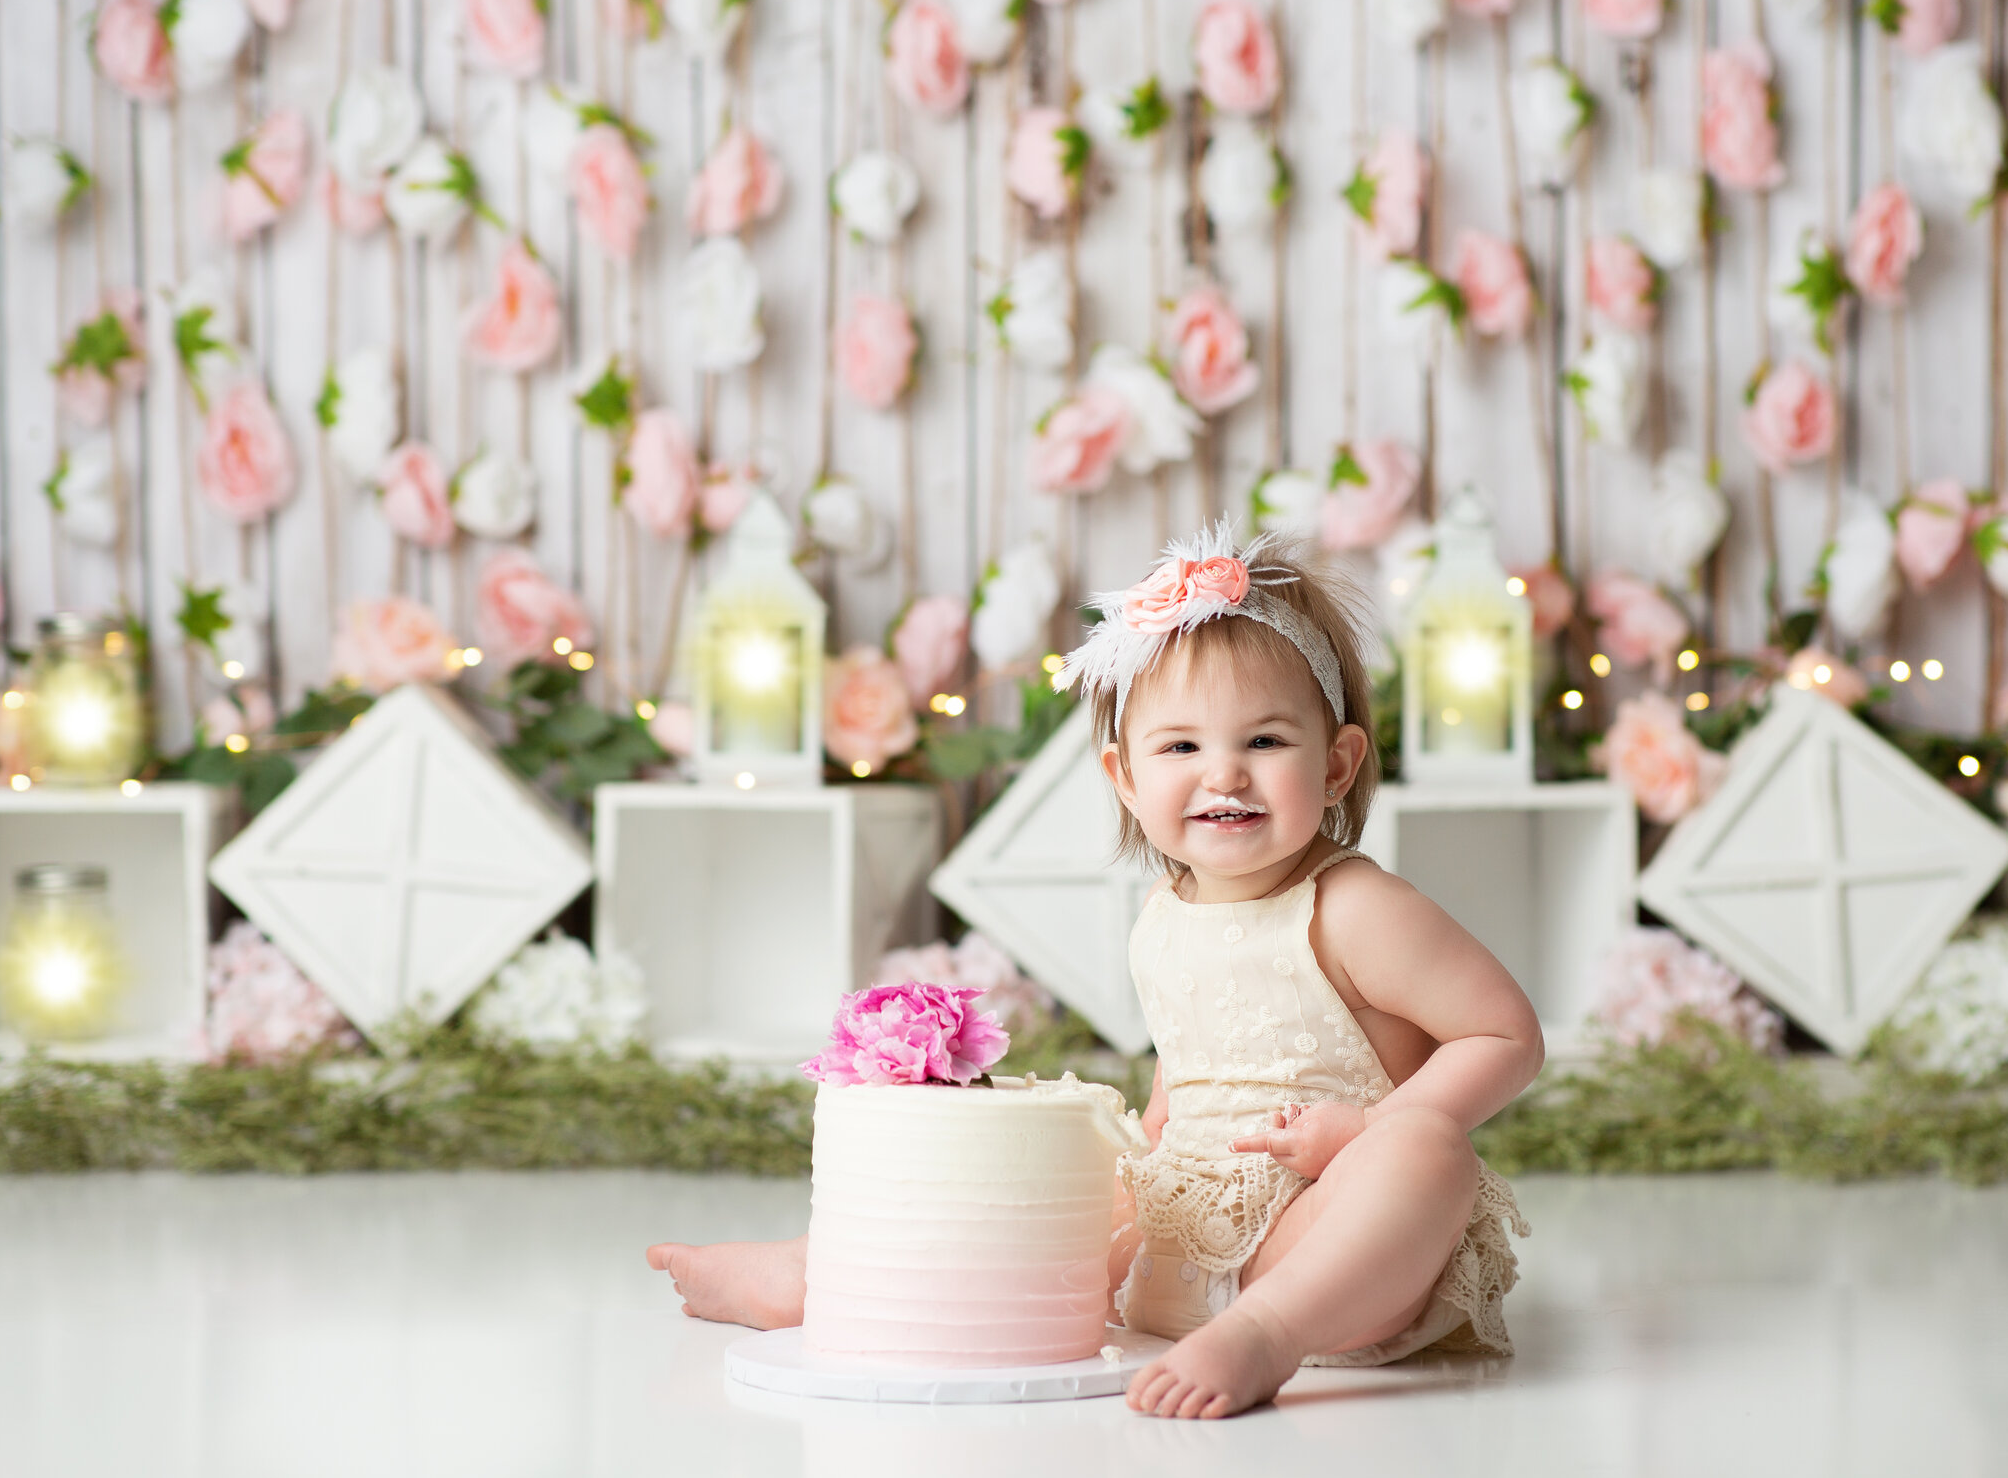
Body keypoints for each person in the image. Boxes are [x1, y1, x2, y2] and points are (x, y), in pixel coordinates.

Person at [648, 523, 1541, 1420]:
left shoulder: (1353, 906)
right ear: (1123, 775)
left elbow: (1505, 1034)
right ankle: (818, 1273)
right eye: (1181, 747)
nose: (1224, 773)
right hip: (1184, 1241)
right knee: (1037, 1177)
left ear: (1338, 764)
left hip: (1326, 1248)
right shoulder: (1162, 913)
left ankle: (1267, 1333)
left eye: (1266, 742)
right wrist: (1125, 1169)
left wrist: (1372, 1126)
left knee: (1428, 1153)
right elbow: (1185, 1076)